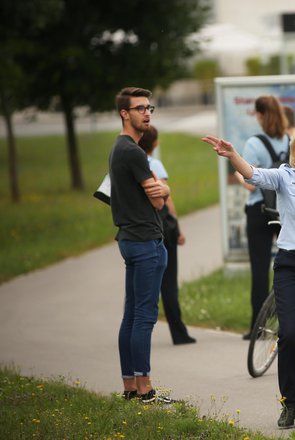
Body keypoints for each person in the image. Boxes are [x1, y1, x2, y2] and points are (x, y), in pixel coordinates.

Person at [203, 120, 295, 429]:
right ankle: (290, 404)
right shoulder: (285, 177)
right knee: (290, 333)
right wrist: (233, 156)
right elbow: (253, 175)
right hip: (291, 266)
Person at [110, 87, 173, 403]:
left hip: (129, 239)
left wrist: (159, 188)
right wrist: (164, 188)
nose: (146, 113)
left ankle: (131, 387)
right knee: (144, 316)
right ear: (125, 113)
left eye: (149, 107)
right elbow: (159, 200)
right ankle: (146, 390)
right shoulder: (134, 152)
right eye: (139, 108)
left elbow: (153, 192)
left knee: (131, 315)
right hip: (145, 240)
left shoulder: (119, 148)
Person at [137, 126, 196, 345]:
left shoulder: (128, 162)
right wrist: (177, 227)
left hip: (139, 228)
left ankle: (137, 328)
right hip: (161, 228)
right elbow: (166, 198)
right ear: (155, 143)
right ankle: (178, 332)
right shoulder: (154, 165)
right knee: (168, 282)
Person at [240, 96, 290, 339]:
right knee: (290, 267)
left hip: (259, 211)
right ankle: (291, 320)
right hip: (284, 213)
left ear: (260, 115)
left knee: (259, 270)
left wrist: (244, 177)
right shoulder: (290, 140)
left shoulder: (253, 143)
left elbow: (250, 185)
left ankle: (257, 328)